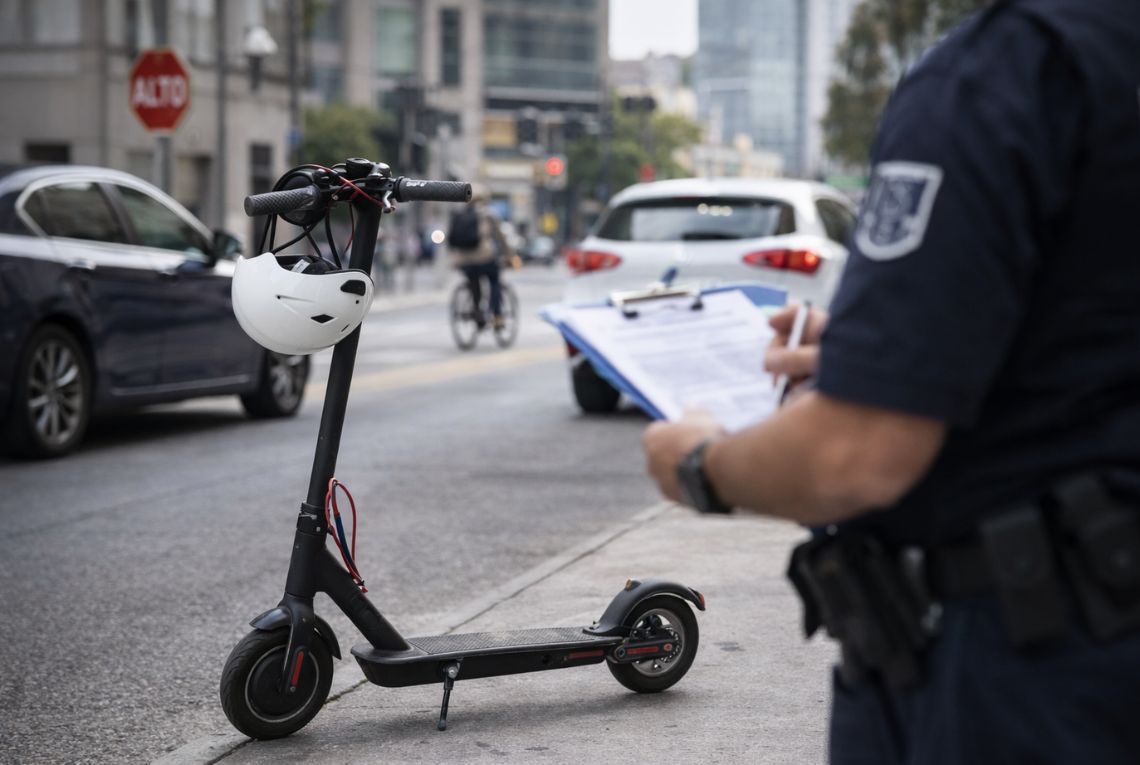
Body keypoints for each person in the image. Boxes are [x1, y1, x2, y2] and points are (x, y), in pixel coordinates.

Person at [643, 1, 1140, 762]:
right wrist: (906, 351)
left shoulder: (1003, 73)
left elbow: (857, 451)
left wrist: (697, 462)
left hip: (1022, 672)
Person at [447, 187, 515, 330]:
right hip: (484, 257)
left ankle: (477, 311)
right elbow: (500, 237)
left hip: (463, 259)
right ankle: (497, 316)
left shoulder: (460, 214)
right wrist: (509, 256)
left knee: (473, 281)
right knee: (494, 280)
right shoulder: (488, 213)